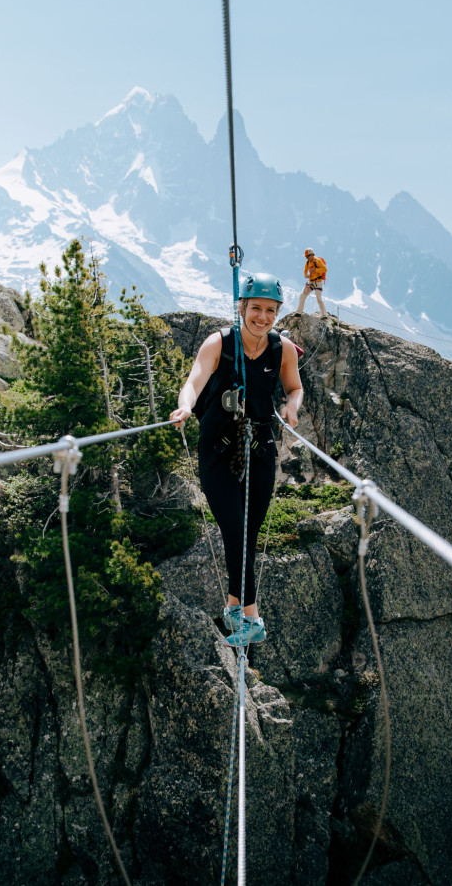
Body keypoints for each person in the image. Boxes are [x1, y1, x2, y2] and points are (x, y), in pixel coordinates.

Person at [170, 273, 303, 647]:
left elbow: (295, 386)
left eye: (270, 311)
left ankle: (233, 607)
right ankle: (251, 618)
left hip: (260, 449)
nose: (262, 316)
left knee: (248, 532)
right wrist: (184, 407)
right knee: (235, 530)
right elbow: (195, 381)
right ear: (241, 307)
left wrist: (291, 406)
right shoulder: (219, 344)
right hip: (217, 449)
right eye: (256, 308)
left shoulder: (282, 350)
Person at [296, 247, 328, 317]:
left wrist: (315, 270)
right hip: (311, 282)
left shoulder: (318, 261)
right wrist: (306, 275)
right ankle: (299, 312)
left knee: (319, 298)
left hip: (318, 282)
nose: (306, 258)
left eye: (307, 256)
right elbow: (305, 271)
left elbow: (325, 269)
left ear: (311, 255)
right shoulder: (308, 262)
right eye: (306, 256)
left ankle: (324, 315)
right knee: (303, 295)